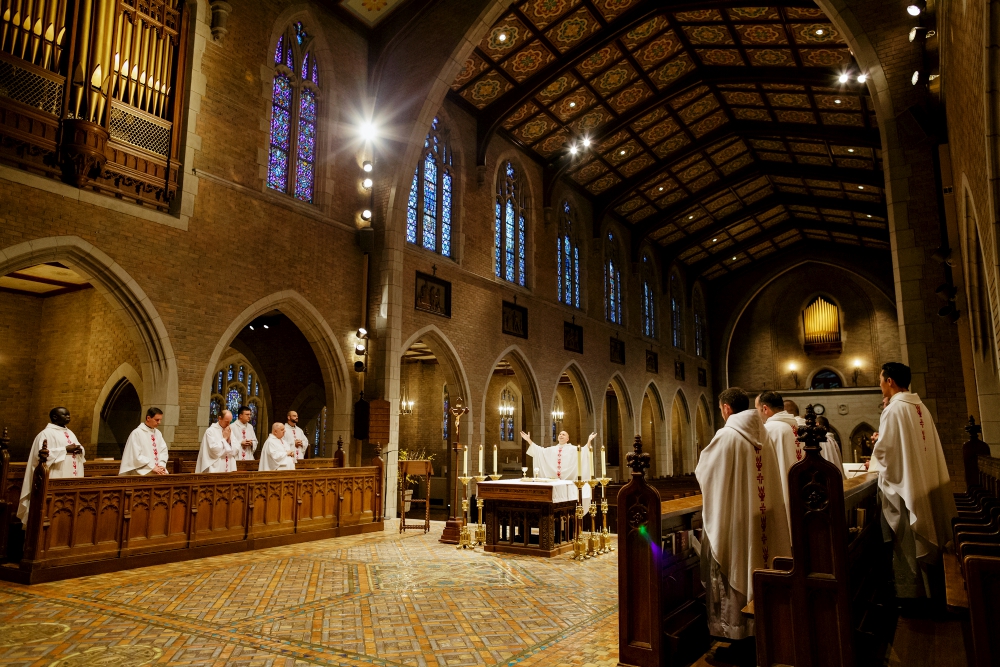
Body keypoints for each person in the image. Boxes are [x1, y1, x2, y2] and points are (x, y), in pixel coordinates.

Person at [696, 388, 791, 665]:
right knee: (758, 567)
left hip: (736, 524)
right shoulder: (764, 434)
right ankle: (762, 636)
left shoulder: (726, 436)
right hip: (761, 517)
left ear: (726, 408)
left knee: (736, 572)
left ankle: (739, 642)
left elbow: (705, 473)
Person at [868, 362, 956, 602]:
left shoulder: (894, 409)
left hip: (907, 489)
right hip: (922, 480)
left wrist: (874, 459)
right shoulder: (919, 406)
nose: (879, 386)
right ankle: (934, 594)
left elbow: (886, 451)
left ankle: (915, 597)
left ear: (890, 381)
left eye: (880, 380)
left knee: (910, 541)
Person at [18, 407, 86, 525]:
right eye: (65, 415)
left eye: (69, 415)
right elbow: (39, 456)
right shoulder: (45, 434)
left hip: (71, 477)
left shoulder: (70, 433)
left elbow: (78, 446)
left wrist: (80, 449)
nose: (68, 417)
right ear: (55, 417)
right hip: (55, 477)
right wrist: (65, 449)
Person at [756, 390, 800, 532]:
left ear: (765, 409)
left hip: (780, 492)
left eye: (757, 409)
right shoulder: (797, 427)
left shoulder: (770, 429)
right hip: (800, 491)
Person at [519, 430, 596, 480]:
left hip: (568, 480)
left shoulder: (573, 449)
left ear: (567, 439)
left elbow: (585, 450)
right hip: (554, 481)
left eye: (563, 434)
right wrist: (528, 440)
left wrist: (589, 440)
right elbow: (538, 451)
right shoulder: (551, 449)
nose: (561, 435)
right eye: (560, 434)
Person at [119, 407, 169, 475]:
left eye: (160, 420)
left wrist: (161, 465)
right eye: (157, 420)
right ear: (148, 418)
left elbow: (163, 451)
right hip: (143, 470)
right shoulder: (137, 433)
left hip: (159, 470)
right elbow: (135, 455)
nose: (159, 422)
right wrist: (152, 467)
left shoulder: (158, 433)